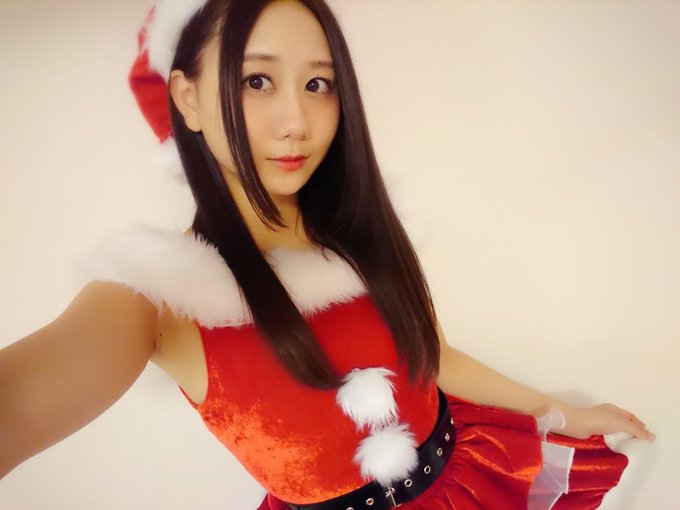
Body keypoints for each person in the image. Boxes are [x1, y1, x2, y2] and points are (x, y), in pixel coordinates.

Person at [0, 0, 655, 509]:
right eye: (257, 80)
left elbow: (432, 357)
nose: (297, 122)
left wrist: (561, 412)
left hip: (474, 478)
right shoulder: (157, 297)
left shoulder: (358, 232)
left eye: (319, 84)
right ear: (188, 99)